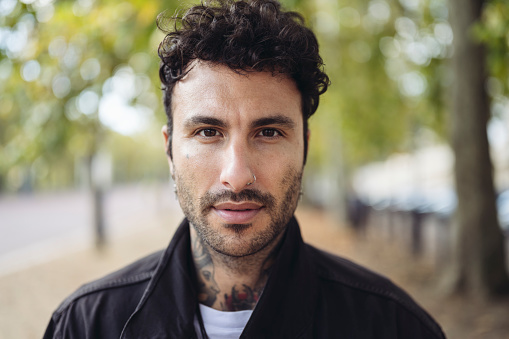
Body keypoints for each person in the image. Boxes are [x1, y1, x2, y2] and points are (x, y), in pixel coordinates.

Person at [44, 0, 446, 338]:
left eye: (268, 132)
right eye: (207, 132)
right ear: (169, 151)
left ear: (304, 146)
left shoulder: (393, 326)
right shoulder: (85, 325)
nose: (236, 176)